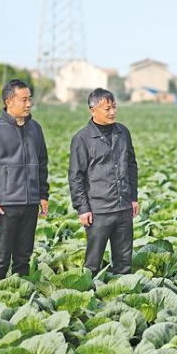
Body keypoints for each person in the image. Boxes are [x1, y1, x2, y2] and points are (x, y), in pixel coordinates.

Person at [0, 79, 49, 280]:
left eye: (30, 99)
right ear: (9, 101)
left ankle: (22, 301)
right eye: (23, 100)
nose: (28, 104)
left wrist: (43, 195)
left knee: (23, 258)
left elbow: (42, 163)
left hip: (30, 204)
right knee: (0, 258)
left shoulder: (35, 128)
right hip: (5, 205)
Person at [69, 88, 139, 277]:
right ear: (93, 110)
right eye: (107, 109)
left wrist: (133, 197)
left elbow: (131, 165)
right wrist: (82, 208)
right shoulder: (82, 138)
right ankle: (90, 298)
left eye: (114, 107)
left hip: (123, 206)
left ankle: (122, 296)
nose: (113, 112)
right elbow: (76, 176)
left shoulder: (122, 132)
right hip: (98, 209)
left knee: (124, 262)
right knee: (93, 262)